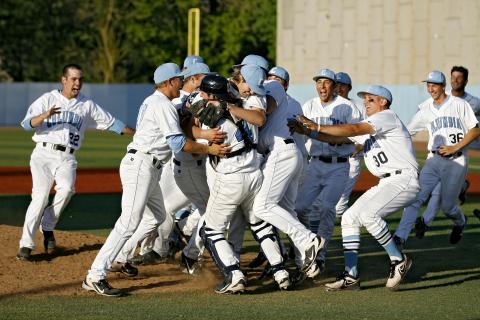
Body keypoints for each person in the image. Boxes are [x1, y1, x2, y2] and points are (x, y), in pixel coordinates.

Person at [82, 63, 229, 297]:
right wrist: (209, 149)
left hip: (149, 166)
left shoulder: (157, 102)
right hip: (142, 165)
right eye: (179, 79)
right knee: (129, 221)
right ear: (169, 82)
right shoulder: (162, 105)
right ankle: (96, 275)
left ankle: (121, 257)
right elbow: (178, 144)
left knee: (158, 216)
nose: (182, 82)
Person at [289, 85, 420, 290]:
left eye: (371, 99)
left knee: (369, 216)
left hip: (404, 179)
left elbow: (354, 129)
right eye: (365, 99)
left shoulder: (387, 116)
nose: (365, 103)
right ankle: (351, 275)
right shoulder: (372, 125)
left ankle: (398, 259)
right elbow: (339, 138)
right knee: (349, 218)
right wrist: (308, 131)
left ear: (383, 102)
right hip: (387, 181)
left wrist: (316, 125)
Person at [17, 64, 135, 261]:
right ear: (63, 79)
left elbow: (112, 123)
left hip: (67, 157)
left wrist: (138, 134)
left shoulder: (86, 104)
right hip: (43, 154)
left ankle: (47, 226)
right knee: (40, 198)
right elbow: (26, 124)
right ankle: (26, 245)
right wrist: (44, 115)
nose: (77, 83)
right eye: (73, 79)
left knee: (67, 190)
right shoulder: (47, 99)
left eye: (80, 79)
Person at [196, 71, 292, 293]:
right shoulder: (244, 105)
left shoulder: (212, 117)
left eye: (204, 91)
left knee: (210, 230)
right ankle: (280, 271)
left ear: (211, 94)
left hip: (231, 176)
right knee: (260, 224)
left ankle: (233, 274)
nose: (201, 94)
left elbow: (199, 145)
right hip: (254, 173)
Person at [395, 70, 480, 247]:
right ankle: (400, 237)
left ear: (443, 86)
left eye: (434, 85)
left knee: (448, 207)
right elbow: (406, 131)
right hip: (433, 161)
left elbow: (475, 130)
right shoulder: (425, 108)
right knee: (415, 197)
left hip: (456, 161)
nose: (431, 88)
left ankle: (460, 220)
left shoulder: (459, 104)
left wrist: (454, 147)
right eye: (428, 85)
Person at [295, 68, 362, 273]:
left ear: (334, 86)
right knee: (299, 208)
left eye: (326, 82)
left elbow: (355, 136)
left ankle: (320, 256)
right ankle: (305, 251)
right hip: (314, 164)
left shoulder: (347, 107)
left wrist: (320, 134)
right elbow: (301, 134)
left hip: (339, 166)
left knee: (326, 208)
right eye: (319, 82)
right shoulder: (309, 105)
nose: (322, 86)